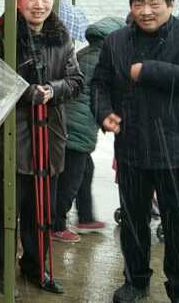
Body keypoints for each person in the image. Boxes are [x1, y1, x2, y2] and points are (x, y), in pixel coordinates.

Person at [92, 0, 179, 303]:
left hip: (178, 150)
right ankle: (135, 281)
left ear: (170, 4)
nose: (146, 11)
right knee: (133, 222)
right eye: (138, 4)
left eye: (154, 3)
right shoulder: (116, 41)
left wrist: (148, 70)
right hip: (132, 149)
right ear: (130, 7)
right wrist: (103, 112)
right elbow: (100, 83)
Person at [0, 0, 82, 295]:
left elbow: (76, 81)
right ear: (18, 0)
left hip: (50, 135)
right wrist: (27, 92)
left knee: (41, 208)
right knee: (7, 208)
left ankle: (36, 265)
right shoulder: (1, 34)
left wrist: (52, 90)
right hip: (13, 135)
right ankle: (1, 266)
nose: (39, 5)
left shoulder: (61, 37)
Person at [51, 17, 125, 243]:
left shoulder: (87, 52)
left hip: (70, 121)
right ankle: (56, 226)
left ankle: (85, 218)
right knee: (70, 180)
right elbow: (103, 93)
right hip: (78, 126)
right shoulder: (104, 58)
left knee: (84, 171)